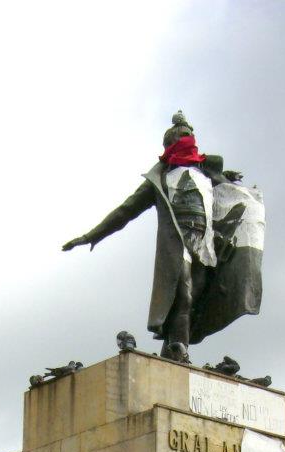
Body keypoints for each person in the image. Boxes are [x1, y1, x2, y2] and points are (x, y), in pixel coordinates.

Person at [63, 112, 264, 363]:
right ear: (170, 145)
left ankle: (171, 355)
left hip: (205, 246)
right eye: (181, 138)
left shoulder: (205, 174)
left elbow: (229, 197)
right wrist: (91, 236)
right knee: (184, 297)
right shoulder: (160, 179)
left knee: (193, 304)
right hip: (177, 244)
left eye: (189, 137)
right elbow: (126, 210)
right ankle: (180, 354)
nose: (187, 140)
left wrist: (230, 181)